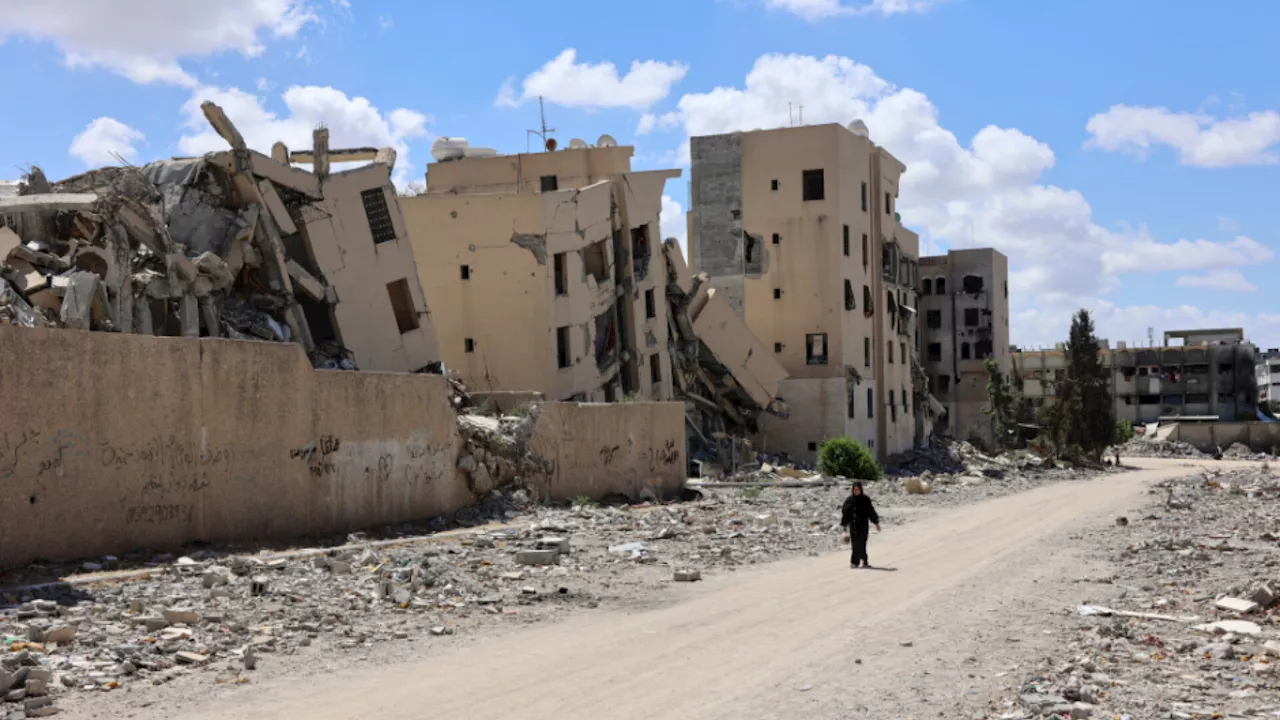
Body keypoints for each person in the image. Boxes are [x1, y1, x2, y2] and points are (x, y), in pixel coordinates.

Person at [840, 481, 881, 569]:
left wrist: (876, 523)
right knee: (855, 544)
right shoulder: (850, 500)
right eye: (854, 489)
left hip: (863, 525)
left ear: (861, 490)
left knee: (862, 543)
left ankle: (864, 560)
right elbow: (845, 513)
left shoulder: (865, 499)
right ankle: (854, 562)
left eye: (858, 489)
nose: (856, 491)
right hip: (853, 525)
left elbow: (871, 512)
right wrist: (844, 525)